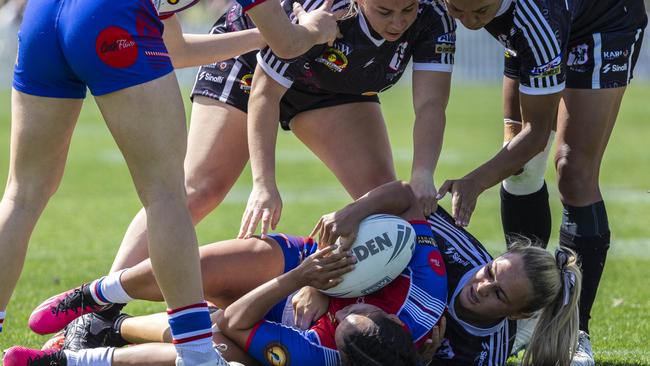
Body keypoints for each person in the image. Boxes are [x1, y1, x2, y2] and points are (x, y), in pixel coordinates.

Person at [0, 0, 340, 364]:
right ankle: (197, 355)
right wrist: (316, 28)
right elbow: (289, 43)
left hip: (44, 13)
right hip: (111, 16)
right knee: (166, 196)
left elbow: (173, 49)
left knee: (22, 196)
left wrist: (262, 37)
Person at [13, 181, 581, 365]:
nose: (481, 281)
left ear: (517, 313)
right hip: (315, 267)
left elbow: (238, 324)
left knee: (218, 339)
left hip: (331, 337)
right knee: (208, 266)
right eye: (491, 269)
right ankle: (96, 298)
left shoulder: (483, 352)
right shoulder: (457, 255)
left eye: (496, 292)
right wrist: (341, 235)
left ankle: (87, 349)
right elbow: (409, 198)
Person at [109, 0, 456, 273]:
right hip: (251, 68)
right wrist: (263, 184)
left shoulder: (433, 16)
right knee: (199, 189)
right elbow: (265, 91)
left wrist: (423, 172)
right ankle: (98, 307)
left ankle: (428, 305)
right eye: (385, 11)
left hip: (330, 85)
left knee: (384, 201)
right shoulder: (326, 8)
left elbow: (430, 105)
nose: (398, 22)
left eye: (407, 9)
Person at [436, 0, 646, 363]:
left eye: (481, 12)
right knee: (521, 168)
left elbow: (535, 134)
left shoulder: (536, 20)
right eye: (457, 10)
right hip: (535, 28)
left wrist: (474, 181)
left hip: (604, 20)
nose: (469, 23)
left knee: (573, 169)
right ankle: (528, 313)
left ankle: (575, 329)